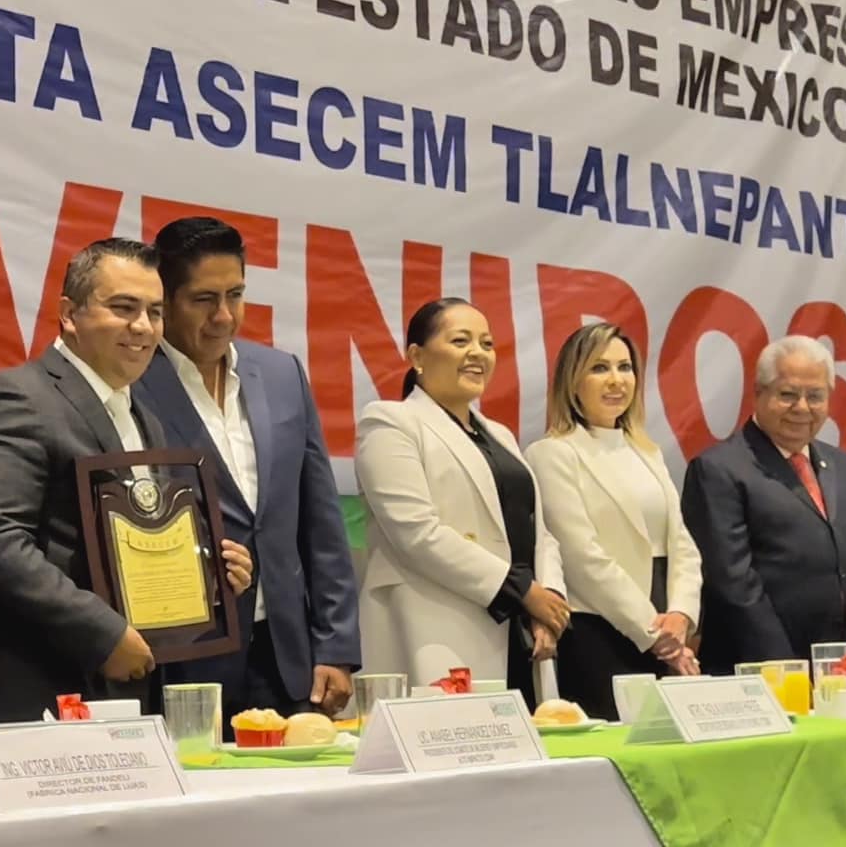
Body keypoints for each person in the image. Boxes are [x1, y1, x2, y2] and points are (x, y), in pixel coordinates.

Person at [0, 238, 254, 725]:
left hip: (126, 694)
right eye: (123, 308)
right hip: (37, 692)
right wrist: (103, 633)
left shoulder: (143, 417)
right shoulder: (15, 398)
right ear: (69, 314)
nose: (143, 327)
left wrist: (209, 575)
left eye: (154, 312)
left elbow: (135, 546)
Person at [134, 218, 361, 721]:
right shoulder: (132, 380)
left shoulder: (282, 374)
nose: (223, 316)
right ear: (164, 300)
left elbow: (321, 521)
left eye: (235, 295)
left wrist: (337, 646)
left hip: (289, 658)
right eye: (203, 299)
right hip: (182, 663)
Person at [355, 298, 568, 700]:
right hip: (435, 627)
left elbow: (539, 532)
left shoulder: (501, 435)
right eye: (460, 341)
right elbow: (417, 533)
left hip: (521, 631)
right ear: (417, 356)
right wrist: (522, 591)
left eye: (486, 344)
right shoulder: (389, 422)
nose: (477, 353)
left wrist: (550, 603)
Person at [681, 335, 846, 674]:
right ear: (758, 393)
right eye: (788, 395)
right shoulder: (718, 469)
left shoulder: (845, 467)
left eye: (815, 396)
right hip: (761, 670)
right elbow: (733, 582)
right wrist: (786, 668)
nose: (803, 408)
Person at [523, 323, 700, 720]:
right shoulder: (552, 454)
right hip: (599, 633)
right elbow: (581, 556)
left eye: (625, 367)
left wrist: (681, 615)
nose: (617, 380)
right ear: (573, 381)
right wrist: (654, 633)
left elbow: (682, 544)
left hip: (664, 627)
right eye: (599, 368)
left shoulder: (648, 452)